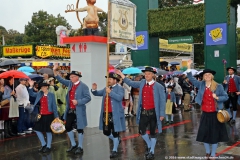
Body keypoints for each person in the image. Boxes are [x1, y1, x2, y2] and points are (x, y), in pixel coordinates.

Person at [116, 67, 166, 160]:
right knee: (142, 131)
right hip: (143, 112)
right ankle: (150, 145)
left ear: (153, 75)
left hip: (154, 113)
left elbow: (163, 101)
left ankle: (152, 152)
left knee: (152, 132)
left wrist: (162, 114)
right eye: (145, 74)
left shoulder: (159, 86)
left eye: (149, 74)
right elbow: (131, 83)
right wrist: (122, 75)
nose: (147, 75)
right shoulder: (142, 83)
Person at [186, 61, 229, 159]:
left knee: (214, 135)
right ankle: (208, 152)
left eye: (209, 74)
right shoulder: (201, 85)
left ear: (212, 76)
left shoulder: (218, 86)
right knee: (204, 134)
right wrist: (188, 67)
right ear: (203, 77)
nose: (207, 76)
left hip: (216, 114)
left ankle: (213, 153)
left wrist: (217, 97)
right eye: (205, 75)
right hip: (205, 114)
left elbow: (226, 97)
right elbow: (191, 79)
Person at [53, 63, 91, 154]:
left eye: (73, 77)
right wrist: (54, 70)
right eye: (70, 76)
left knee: (79, 128)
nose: (71, 78)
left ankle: (80, 147)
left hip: (79, 110)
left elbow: (88, 98)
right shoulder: (70, 83)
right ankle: (73, 145)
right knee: (68, 126)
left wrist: (78, 101)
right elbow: (60, 79)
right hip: (70, 110)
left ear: (78, 77)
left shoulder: (84, 86)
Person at [91, 73, 125, 158]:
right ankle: (116, 140)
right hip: (106, 113)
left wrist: (110, 93)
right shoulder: (106, 88)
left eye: (110, 79)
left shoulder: (120, 88)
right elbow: (97, 93)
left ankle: (114, 150)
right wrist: (94, 90)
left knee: (115, 132)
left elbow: (119, 98)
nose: (108, 80)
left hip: (115, 114)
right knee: (106, 131)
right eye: (108, 79)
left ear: (115, 80)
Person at [28, 80, 59, 153]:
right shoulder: (40, 94)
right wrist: (30, 86)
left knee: (48, 131)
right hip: (41, 115)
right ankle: (43, 144)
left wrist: (56, 116)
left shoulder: (51, 95)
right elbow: (31, 94)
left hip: (49, 115)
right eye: (41, 87)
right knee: (37, 129)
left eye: (44, 87)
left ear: (47, 87)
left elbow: (54, 106)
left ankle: (48, 146)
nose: (43, 88)